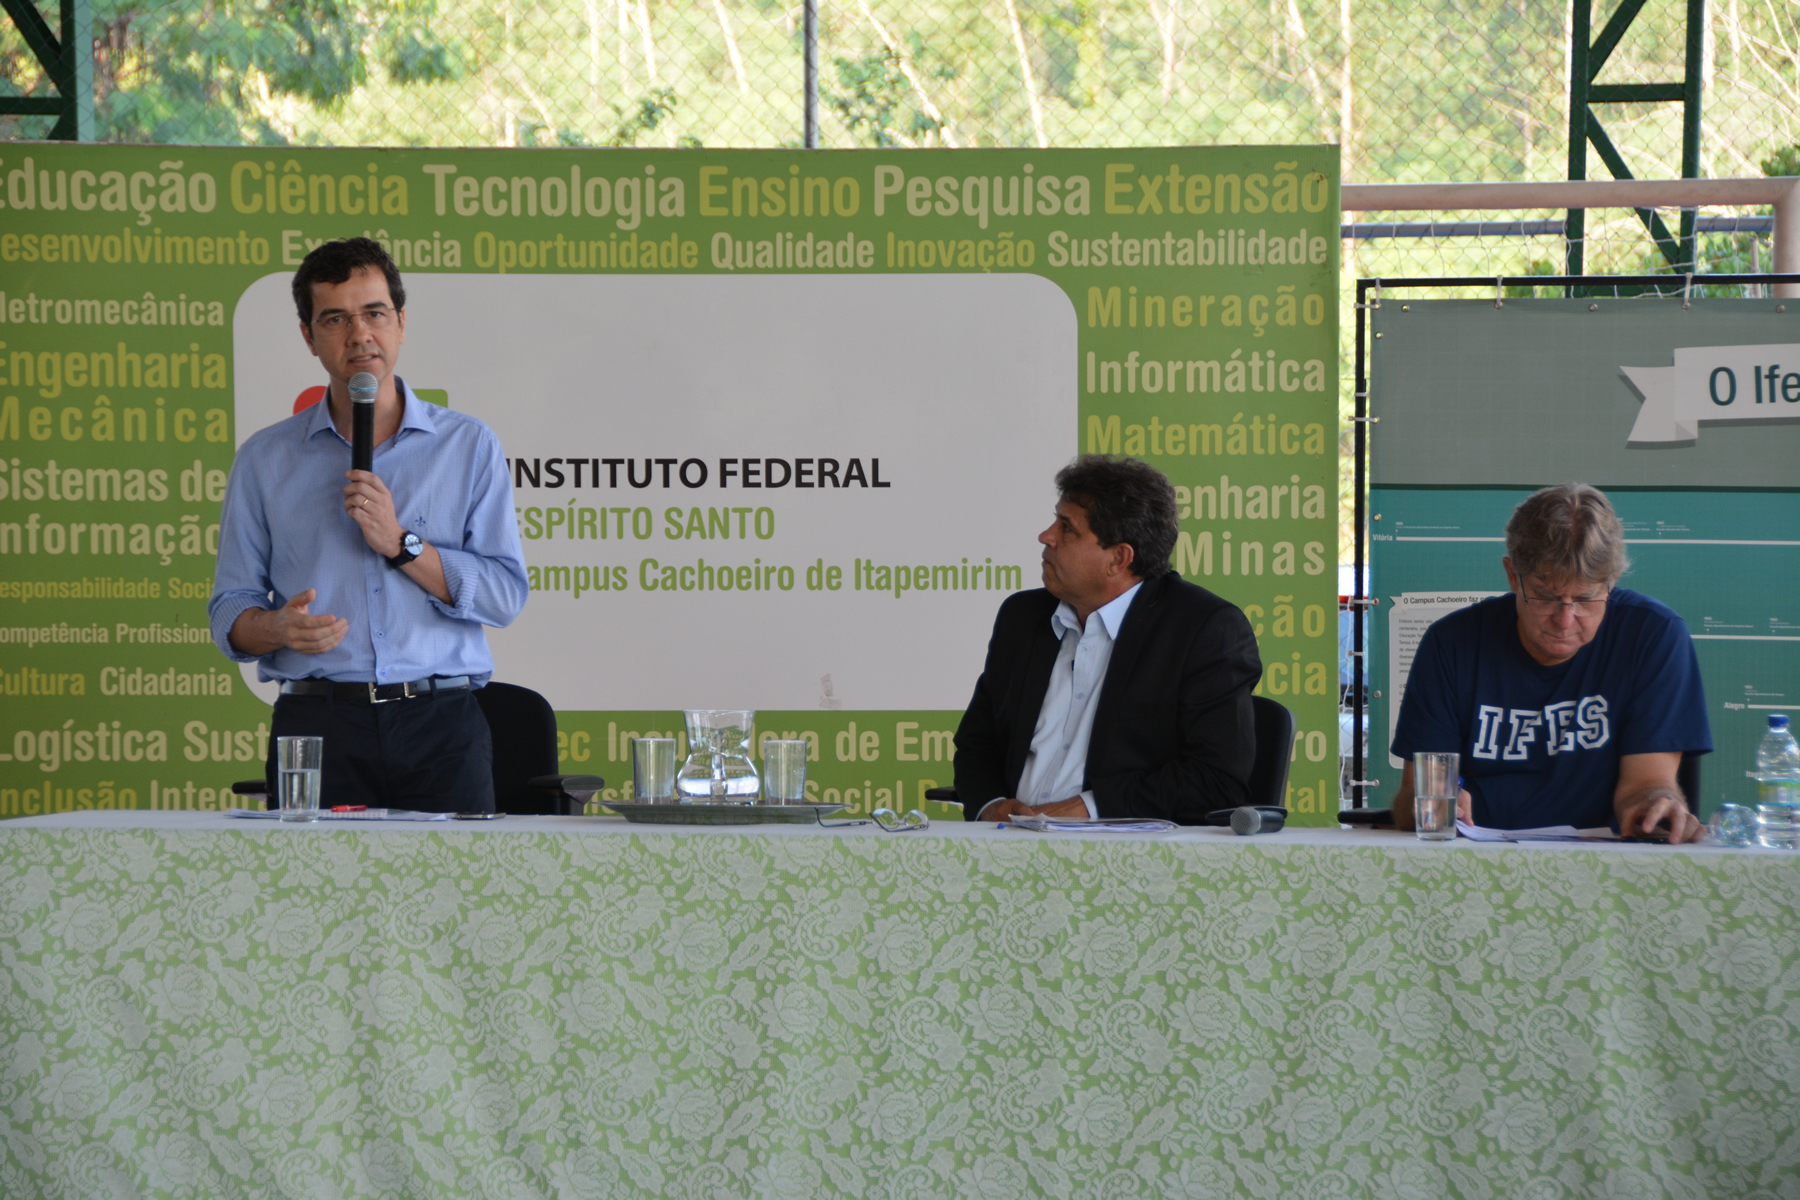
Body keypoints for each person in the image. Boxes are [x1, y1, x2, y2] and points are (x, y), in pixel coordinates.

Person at [209, 237, 528, 811]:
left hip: (441, 727)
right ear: (309, 337)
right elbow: (229, 613)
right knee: (311, 875)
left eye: (375, 313)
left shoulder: (468, 446)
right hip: (317, 725)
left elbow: (504, 597)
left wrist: (402, 544)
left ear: (401, 324)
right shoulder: (265, 459)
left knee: (458, 875)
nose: (359, 334)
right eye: (335, 319)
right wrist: (277, 628)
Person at [1390, 482, 1709, 842]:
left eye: (1586, 599)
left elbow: (1646, 785)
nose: (1565, 620)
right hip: (1474, 854)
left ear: (1611, 583)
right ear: (1512, 576)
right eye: (1545, 596)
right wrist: (1433, 804)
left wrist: (1657, 807)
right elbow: (1412, 797)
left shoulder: (1652, 636)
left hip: (1605, 856)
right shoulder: (1452, 644)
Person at [953, 455, 1263, 823]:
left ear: (1118, 558)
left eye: (1067, 528)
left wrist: (1088, 809)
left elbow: (1215, 779)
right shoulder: (1021, 617)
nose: (1046, 536)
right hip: (1007, 841)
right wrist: (991, 806)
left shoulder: (1204, 629)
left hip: (1122, 849)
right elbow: (977, 744)